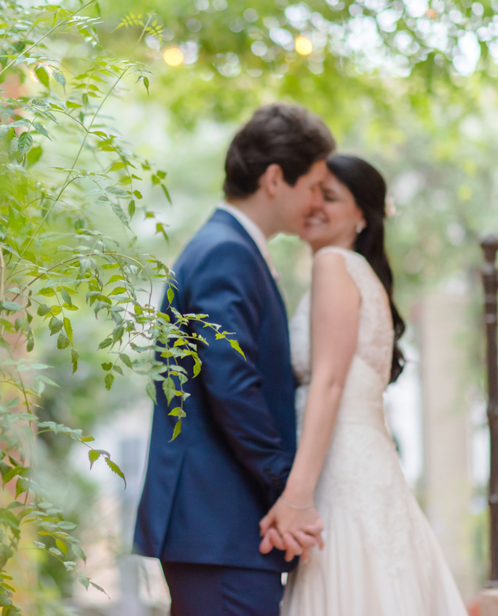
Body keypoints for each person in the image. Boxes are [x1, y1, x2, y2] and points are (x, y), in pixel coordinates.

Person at [133, 102, 335, 616]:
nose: (316, 201)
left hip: (218, 527)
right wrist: (284, 484)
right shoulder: (227, 252)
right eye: (312, 185)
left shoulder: (228, 247)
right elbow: (229, 379)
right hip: (219, 521)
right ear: (274, 178)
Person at [258, 154, 469, 615]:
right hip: (366, 465)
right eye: (312, 193)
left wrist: (297, 494)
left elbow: (329, 383)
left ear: (362, 215)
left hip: (336, 468)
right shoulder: (361, 273)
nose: (313, 205)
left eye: (329, 197)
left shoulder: (333, 264)